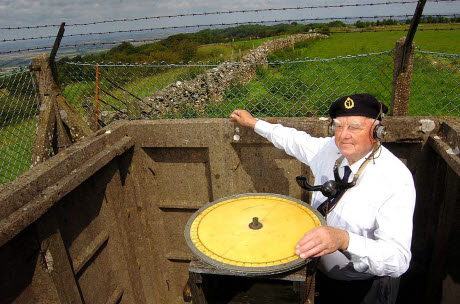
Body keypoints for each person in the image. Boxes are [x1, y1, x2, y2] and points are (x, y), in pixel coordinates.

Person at [229, 93, 416, 304]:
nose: (343, 135)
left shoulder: (395, 179)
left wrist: (345, 240)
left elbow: (398, 259)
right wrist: (254, 123)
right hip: (321, 277)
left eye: (354, 127)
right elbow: (294, 140)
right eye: (338, 126)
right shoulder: (329, 150)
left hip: (364, 288)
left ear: (377, 130)